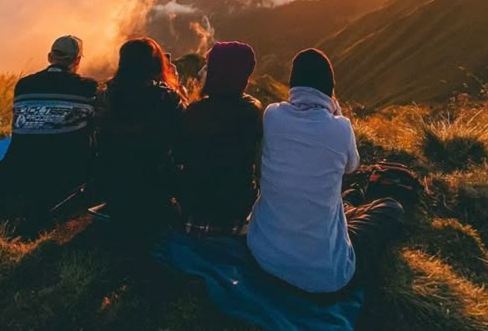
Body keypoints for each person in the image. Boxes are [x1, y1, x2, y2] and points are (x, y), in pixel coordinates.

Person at [247, 48, 403, 295]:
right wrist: (336, 113)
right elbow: (352, 166)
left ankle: (352, 205)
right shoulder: (341, 129)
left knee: (346, 199)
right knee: (391, 209)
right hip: (323, 275)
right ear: (330, 89)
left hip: (263, 253)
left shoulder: (272, 115)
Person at [0, 35, 98, 224]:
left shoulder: (23, 85)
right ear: (77, 60)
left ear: (50, 57)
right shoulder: (87, 87)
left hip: (19, 168)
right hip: (66, 172)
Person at [97, 37, 185, 238]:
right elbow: (184, 139)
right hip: (155, 187)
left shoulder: (106, 94)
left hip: (112, 183)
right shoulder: (167, 97)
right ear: (155, 63)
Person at [175, 42, 262, 236]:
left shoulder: (194, 112)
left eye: (207, 67)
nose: (200, 73)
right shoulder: (252, 112)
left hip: (193, 210)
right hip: (235, 214)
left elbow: (180, 156)